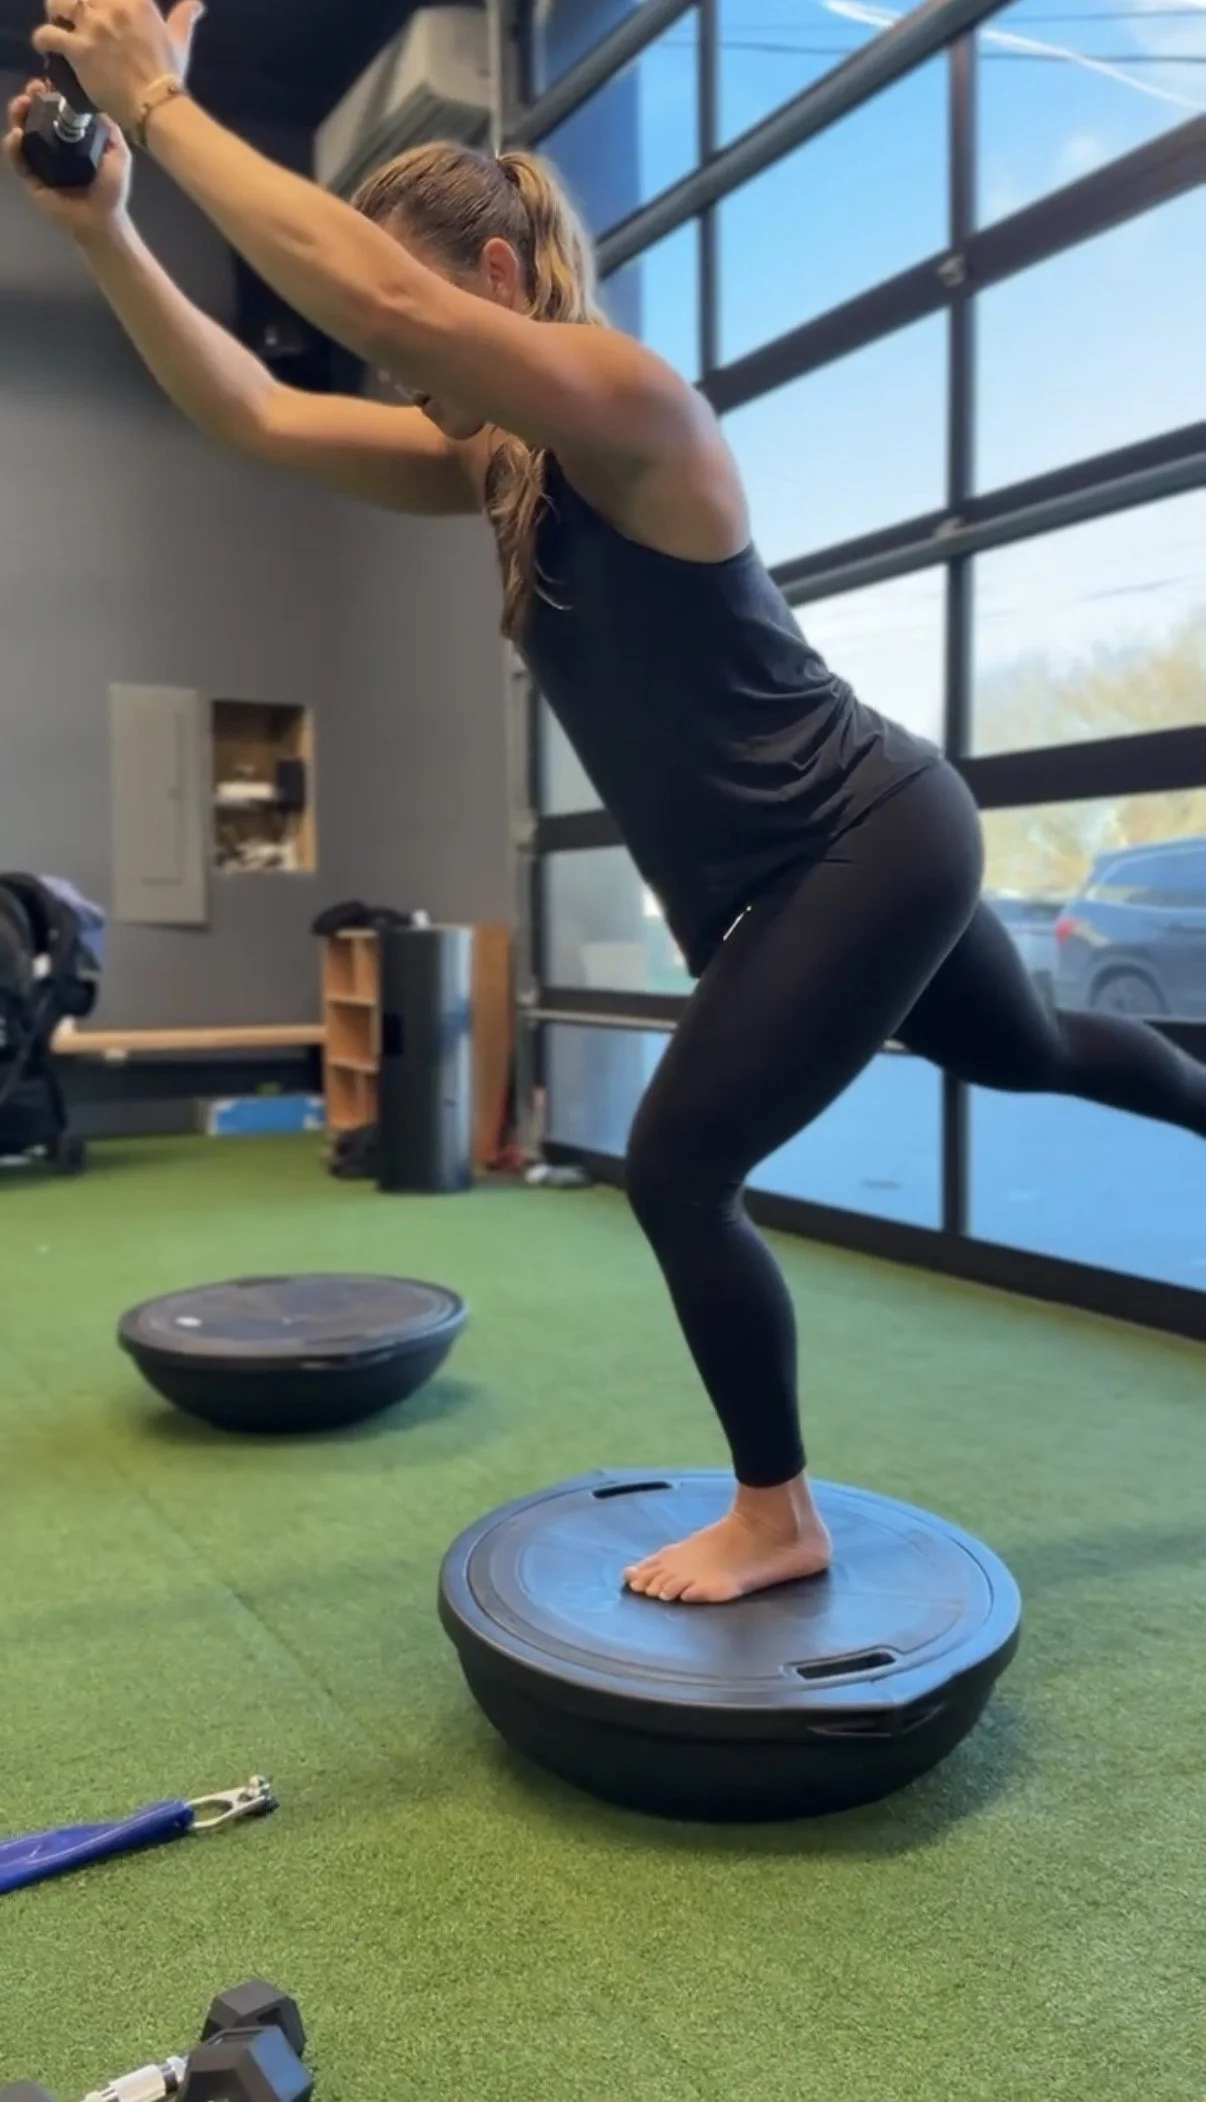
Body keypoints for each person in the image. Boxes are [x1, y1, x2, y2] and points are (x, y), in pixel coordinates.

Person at [7, 0, 1204, 1606]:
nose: (393, 357)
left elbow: (354, 291)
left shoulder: (630, 406)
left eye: (421, 324)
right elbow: (259, 412)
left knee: (676, 1166)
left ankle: (774, 1512)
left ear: (496, 283)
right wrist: (104, 230)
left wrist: (154, 103)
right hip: (826, 861)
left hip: (858, 836)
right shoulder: (498, 466)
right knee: (1033, 1048)